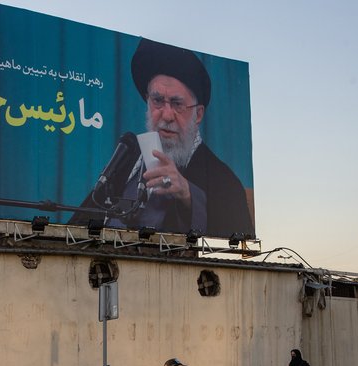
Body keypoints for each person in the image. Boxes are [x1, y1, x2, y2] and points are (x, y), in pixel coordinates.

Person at [71, 38, 253, 240]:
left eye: (177, 104)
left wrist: (187, 194)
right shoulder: (127, 160)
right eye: (158, 101)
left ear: (198, 114)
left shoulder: (224, 180)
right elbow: (76, 226)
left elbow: (232, 245)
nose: (166, 115)